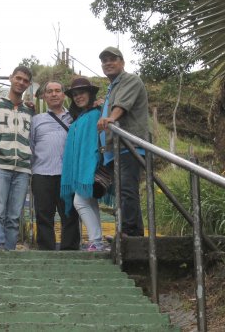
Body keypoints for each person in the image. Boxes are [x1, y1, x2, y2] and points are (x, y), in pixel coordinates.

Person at [0, 66, 34, 250]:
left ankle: (9, 251)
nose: (21, 82)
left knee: (14, 215)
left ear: (29, 84)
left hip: (23, 169)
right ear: (11, 78)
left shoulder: (29, 112)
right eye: (18, 78)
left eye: (25, 81)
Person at [97, 47, 149, 237]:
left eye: (113, 59)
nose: (108, 63)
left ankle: (130, 233)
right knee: (122, 192)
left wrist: (111, 118)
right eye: (104, 61)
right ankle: (131, 232)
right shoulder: (112, 87)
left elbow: (122, 106)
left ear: (122, 62)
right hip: (114, 149)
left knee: (127, 190)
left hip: (129, 146)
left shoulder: (130, 79)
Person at [29, 81, 81, 251]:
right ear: (44, 97)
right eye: (49, 91)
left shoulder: (75, 118)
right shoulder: (36, 120)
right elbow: (30, 146)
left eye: (58, 90)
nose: (53, 94)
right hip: (42, 173)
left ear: (64, 95)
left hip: (68, 175)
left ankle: (70, 250)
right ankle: (46, 250)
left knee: (70, 214)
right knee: (44, 215)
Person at [60, 77, 105, 251]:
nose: (78, 97)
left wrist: (101, 105)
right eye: (75, 95)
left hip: (90, 165)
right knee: (90, 202)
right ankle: (98, 240)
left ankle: (96, 240)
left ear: (91, 94)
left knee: (80, 202)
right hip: (82, 167)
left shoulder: (97, 113)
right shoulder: (79, 118)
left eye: (82, 93)